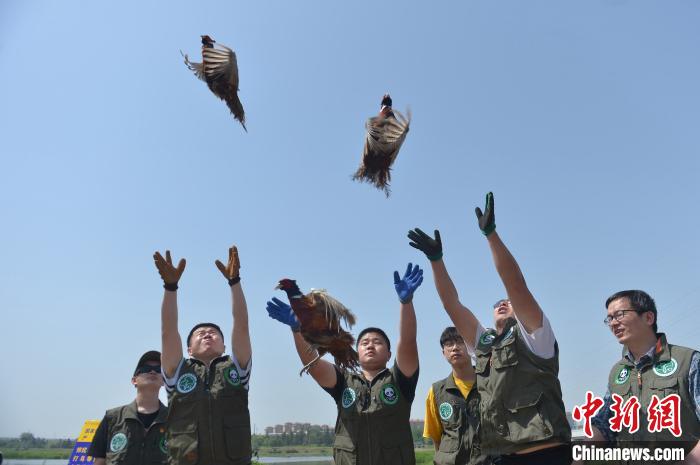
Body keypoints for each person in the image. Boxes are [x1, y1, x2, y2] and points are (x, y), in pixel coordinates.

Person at [408, 192, 571, 465]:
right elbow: (452, 304)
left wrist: (491, 235)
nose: (504, 303)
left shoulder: (536, 336)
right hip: (501, 456)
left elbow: (515, 284)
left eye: (509, 302)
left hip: (546, 453)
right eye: (498, 303)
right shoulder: (483, 343)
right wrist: (436, 260)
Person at [266, 263, 423, 465]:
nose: (370, 346)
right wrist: (298, 329)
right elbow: (312, 364)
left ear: (389, 354)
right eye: (364, 342)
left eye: (378, 342)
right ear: (357, 352)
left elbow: (408, 341)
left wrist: (406, 302)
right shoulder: (344, 382)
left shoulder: (400, 380)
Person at [153, 245, 252, 465]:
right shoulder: (176, 372)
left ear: (225, 347)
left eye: (214, 333)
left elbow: (242, 325)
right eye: (200, 333)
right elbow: (168, 330)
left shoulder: (237, 369)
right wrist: (170, 287)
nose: (207, 334)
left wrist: (234, 283)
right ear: (188, 350)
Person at [586, 290, 700, 463]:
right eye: (609, 318)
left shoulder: (688, 361)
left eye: (620, 315)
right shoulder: (617, 372)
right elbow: (605, 425)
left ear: (648, 318)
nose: (613, 323)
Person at [424, 327, 492, 465]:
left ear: (471, 347)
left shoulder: (489, 383)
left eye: (460, 342)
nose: (455, 348)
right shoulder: (436, 391)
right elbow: (437, 439)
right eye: (449, 344)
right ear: (443, 352)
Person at [88, 351, 168, 465]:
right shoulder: (112, 418)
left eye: (158, 369)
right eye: (146, 368)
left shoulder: (174, 419)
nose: (152, 371)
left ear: (164, 381)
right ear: (134, 380)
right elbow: (99, 461)